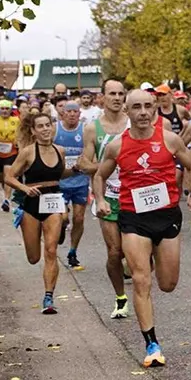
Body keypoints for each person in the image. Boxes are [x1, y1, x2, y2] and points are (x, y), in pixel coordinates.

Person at [93, 89, 191, 368]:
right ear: (127, 112)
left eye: (147, 107)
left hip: (166, 217)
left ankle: (152, 258)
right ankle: (152, 344)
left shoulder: (169, 139)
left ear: (155, 109)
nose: (142, 112)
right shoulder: (117, 146)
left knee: (167, 284)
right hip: (134, 218)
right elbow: (100, 175)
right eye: (136, 107)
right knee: (142, 280)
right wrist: (102, 199)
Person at [5, 111, 74, 315]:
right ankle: (57, 223)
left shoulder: (59, 150)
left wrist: (78, 168)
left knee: (51, 251)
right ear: (34, 131)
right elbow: (10, 177)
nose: (45, 129)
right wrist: (25, 189)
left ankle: (48, 297)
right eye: (41, 126)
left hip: (53, 201)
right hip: (32, 204)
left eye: (48, 125)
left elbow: (60, 174)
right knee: (34, 257)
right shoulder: (28, 152)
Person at [79, 79, 131, 318]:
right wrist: (107, 167)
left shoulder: (134, 123)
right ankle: (120, 297)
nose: (117, 98)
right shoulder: (92, 128)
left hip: (136, 195)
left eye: (121, 93)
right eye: (112, 93)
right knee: (114, 252)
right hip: (107, 195)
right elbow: (83, 163)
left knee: (139, 253)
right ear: (102, 97)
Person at [54, 101, 90, 269]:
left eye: (75, 111)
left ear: (79, 113)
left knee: (79, 218)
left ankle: (73, 251)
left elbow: (92, 151)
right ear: (63, 113)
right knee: (63, 218)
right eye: (69, 111)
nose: (72, 114)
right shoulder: (56, 129)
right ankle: (61, 226)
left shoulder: (84, 130)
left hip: (80, 181)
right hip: (60, 181)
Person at [0, 99, 20, 211]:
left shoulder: (16, 120)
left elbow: (22, 133)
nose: (5, 111)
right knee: (0, 177)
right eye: (2, 108)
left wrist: (19, 141)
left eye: (7, 108)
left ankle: (6, 199)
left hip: (11, 152)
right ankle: (6, 191)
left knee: (8, 174)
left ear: (11, 110)